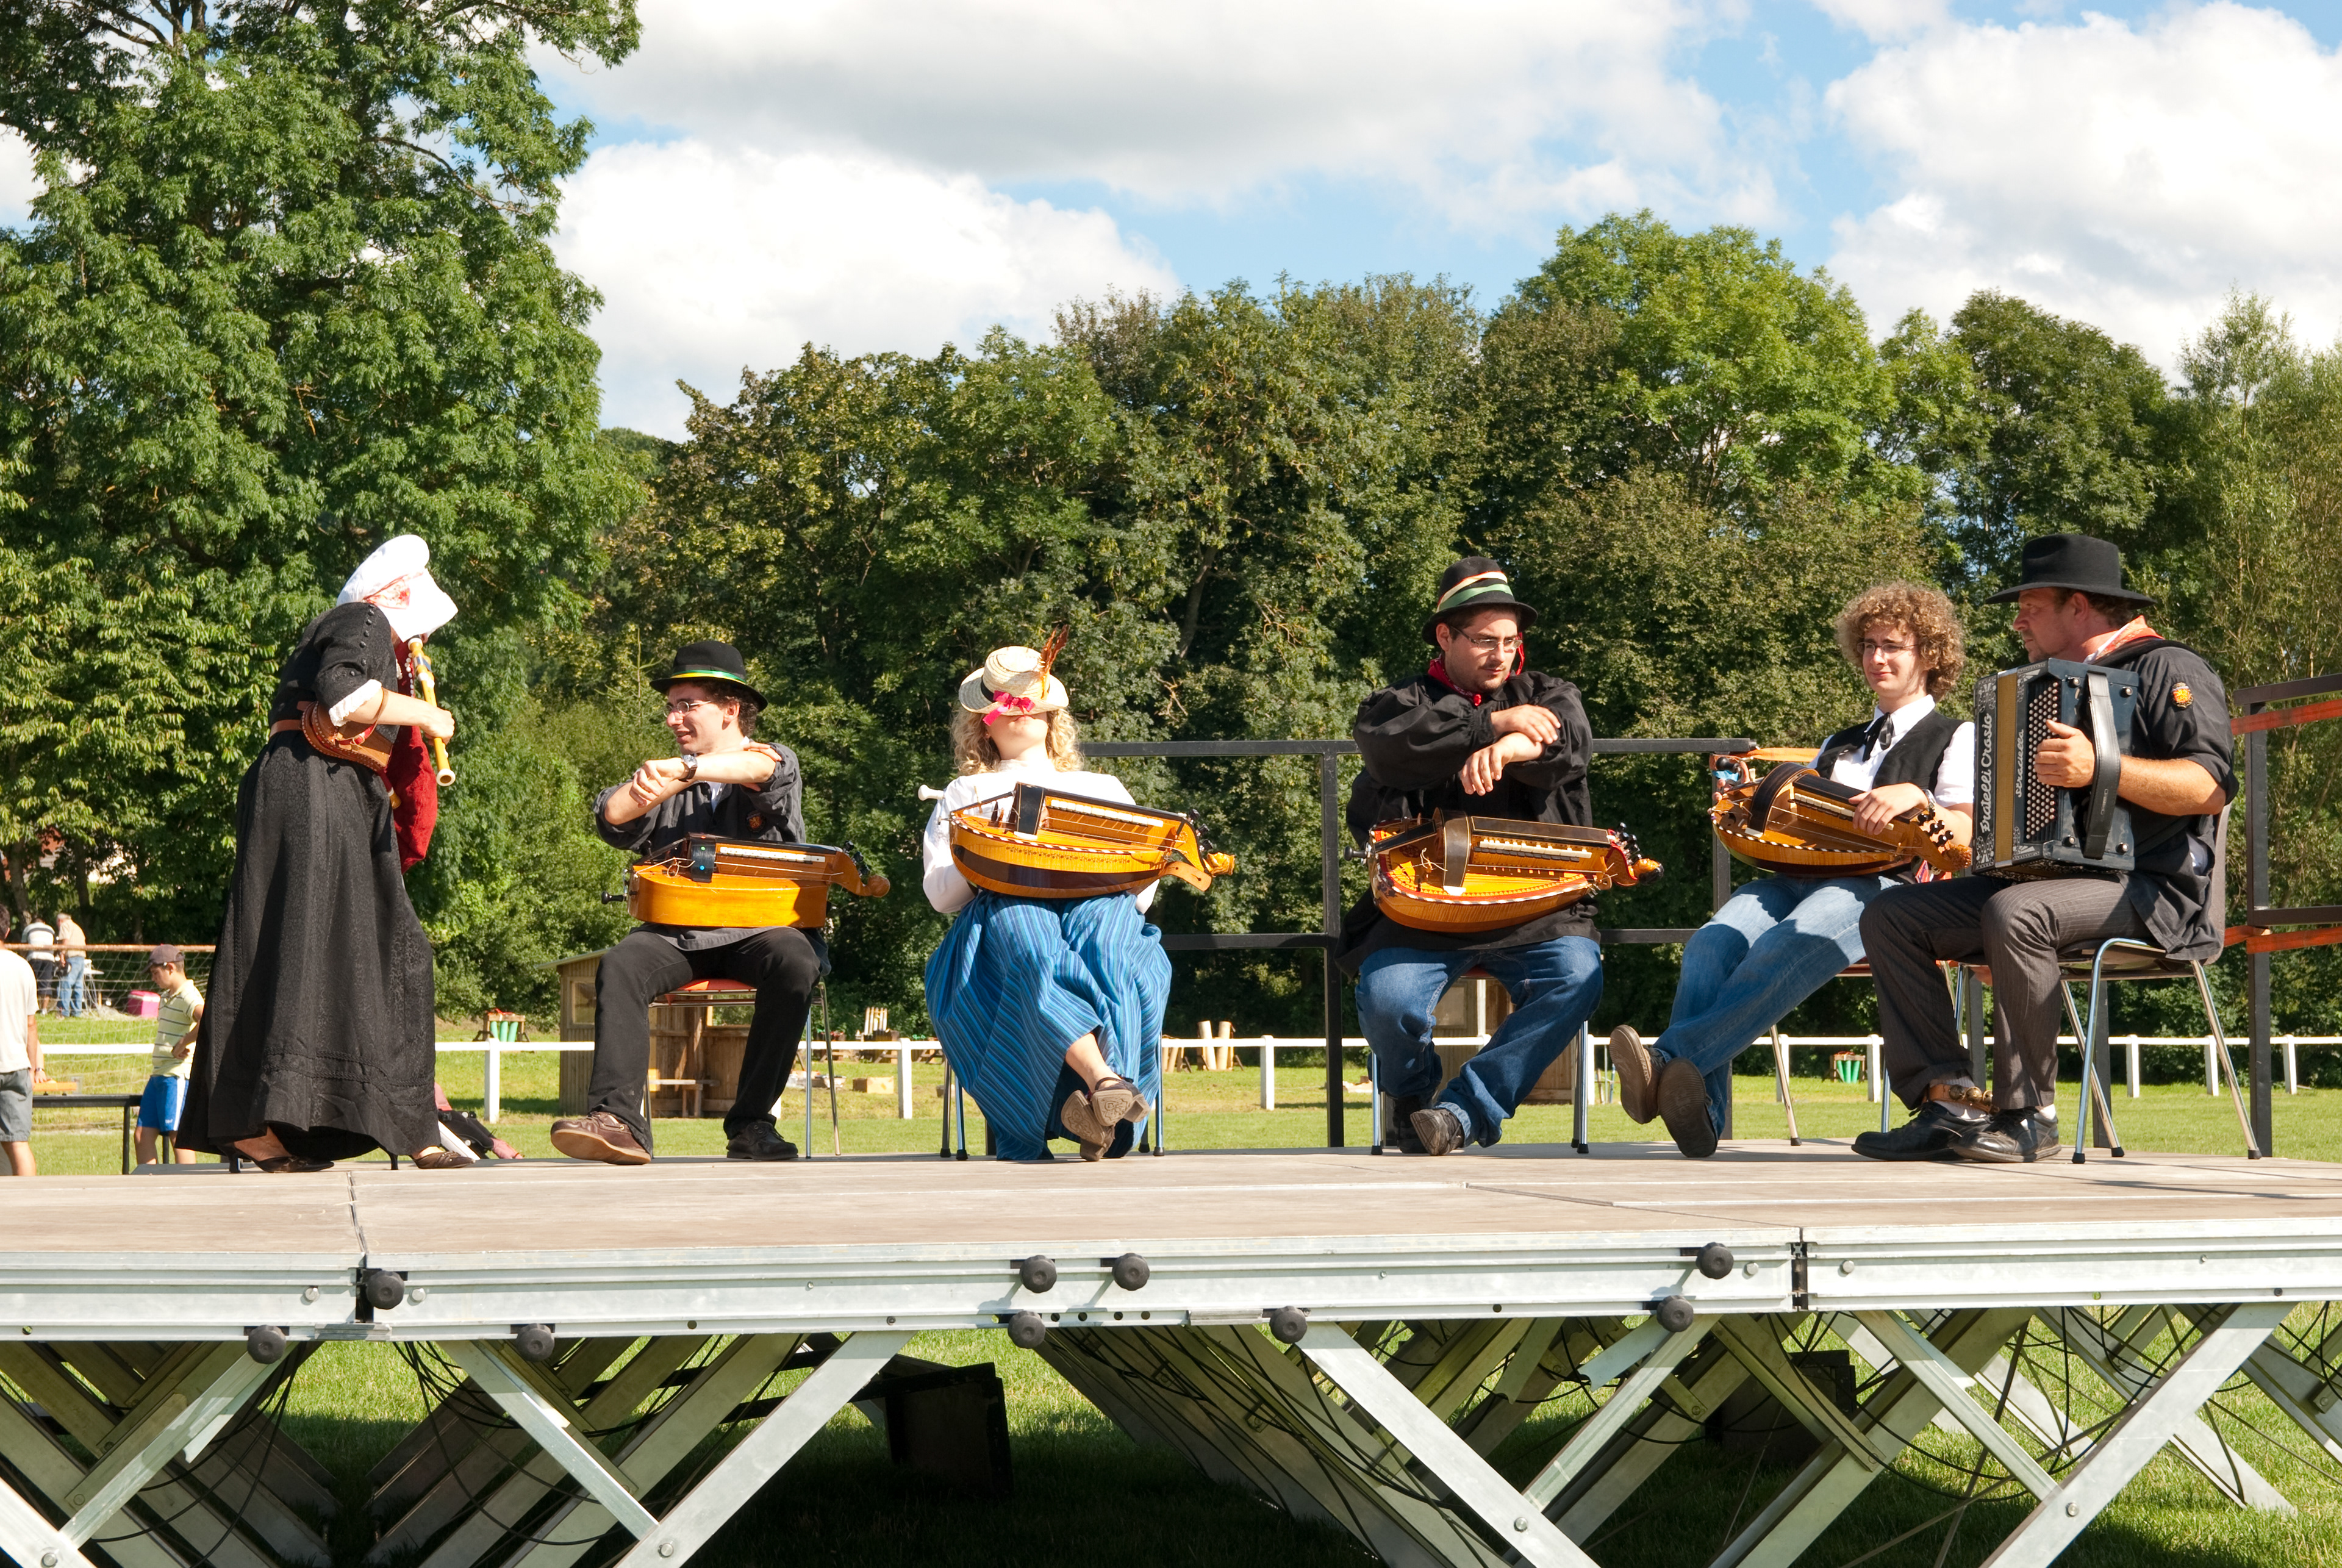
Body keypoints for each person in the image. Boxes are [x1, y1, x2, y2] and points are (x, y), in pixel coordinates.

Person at [1856, 534, 2234, 1164]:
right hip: (2056, 887)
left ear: (2078, 606)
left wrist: (2101, 767)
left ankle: (2031, 1114)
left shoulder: (2168, 667)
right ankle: (1946, 1104)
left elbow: (2209, 787)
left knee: (2016, 913)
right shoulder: (2049, 683)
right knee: (1892, 915)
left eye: (2030, 606)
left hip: (2154, 892)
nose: (2017, 621)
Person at [1610, 583, 1976, 1158]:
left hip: (1886, 889)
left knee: (1786, 941)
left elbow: (1965, 835)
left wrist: (1918, 798)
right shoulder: (1839, 744)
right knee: (1709, 945)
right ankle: (1702, 1115)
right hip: (1793, 876)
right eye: (1869, 645)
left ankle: (1666, 1062)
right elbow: (1791, 823)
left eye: (1893, 646)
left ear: (1930, 655)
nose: (1877, 658)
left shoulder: (1956, 736)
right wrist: (1746, 804)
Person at [179, 535, 463, 1172]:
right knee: (354, 950)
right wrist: (429, 716)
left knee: (317, 953)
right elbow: (346, 696)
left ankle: (336, 1122)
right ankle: (263, 1124)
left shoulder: (358, 628)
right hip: (315, 785)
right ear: (398, 593)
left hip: (332, 790)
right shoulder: (364, 618)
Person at [1342, 558, 1605, 1156]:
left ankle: (1463, 1112)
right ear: (1445, 636)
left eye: (1510, 642)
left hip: (1538, 909)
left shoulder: (1549, 694)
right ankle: (1412, 1093)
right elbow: (1388, 746)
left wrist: (1510, 748)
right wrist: (1494, 722)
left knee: (1578, 976)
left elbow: (1571, 740)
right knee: (1388, 998)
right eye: (1486, 640)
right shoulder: (1402, 703)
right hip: (1423, 912)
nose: (1501, 655)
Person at [551, 641, 821, 1165]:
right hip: (678, 934)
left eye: (687, 705)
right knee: (622, 962)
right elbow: (611, 814)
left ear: (730, 709)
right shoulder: (671, 776)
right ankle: (618, 1122)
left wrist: (688, 768)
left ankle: (752, 1124)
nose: (673, 718)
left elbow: (762, 767)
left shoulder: (774, 760)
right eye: (671, 707)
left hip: (762, 930)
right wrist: (649, 787)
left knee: (796, 960)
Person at [920, 643, 1169, 1161]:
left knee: (1114, 950)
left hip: (1099, 904)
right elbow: (940, 895)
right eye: (1005, 704)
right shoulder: (965, 791)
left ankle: (1098, 1109)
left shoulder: (1101, 786)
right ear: (983, 724)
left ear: (1051, 717)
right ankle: (1104, 1084)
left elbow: (1143, 891)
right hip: (1006, 906)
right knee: (1033, 946)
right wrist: (989, 847)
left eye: (1030, 703)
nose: (1019, 711)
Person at [135, 945, 204, 1166]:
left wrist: (184, 1042)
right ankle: (150, 1184)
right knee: (141, 1136)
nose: (153, 979)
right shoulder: (167, 996)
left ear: (171, 968)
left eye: (156, 973)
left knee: (178, 1138)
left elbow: (206, 1019)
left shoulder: (188, 994)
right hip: (158, 1076)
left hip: (176, 1076)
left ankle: (188, 1185)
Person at [1, 909, 40, 1176]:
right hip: (16, 1065)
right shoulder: (23, 967)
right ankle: (29, 1198)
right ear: (6, 931)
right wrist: (35, 1068)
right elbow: (31, 1024)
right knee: (18, 1143)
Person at [55, 913, 87, 1018]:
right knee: (78, 985)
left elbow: (66, 940)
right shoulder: (77, 927)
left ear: (60, 921)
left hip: (72, 957)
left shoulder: (65, 925)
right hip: (81, 957)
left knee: (66, 983)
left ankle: (64, 1011)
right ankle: (77, 1012)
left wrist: (62, 955)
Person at [23, 914, 54, 1015]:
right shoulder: (50, 929)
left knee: (31, 982)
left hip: (34, 956)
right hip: (49, 957)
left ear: (34, 922)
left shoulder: (29, 928)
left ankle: (31, 1009)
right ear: (44, 922)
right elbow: (55, 945)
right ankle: (44, 1010)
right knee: (46, 983)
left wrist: (23, 960)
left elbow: (23, 947)